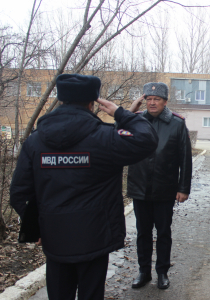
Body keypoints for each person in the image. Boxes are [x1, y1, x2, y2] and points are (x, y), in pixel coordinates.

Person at [10, 74, 158, 300]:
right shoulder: (105, 138)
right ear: (92, 103)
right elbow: (147, 139)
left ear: (61, 100)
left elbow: (19, 192)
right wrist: (120, 112)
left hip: (55, 238)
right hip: (94, 237)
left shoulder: (35, 141)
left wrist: (35, 226)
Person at [127, 82, 193, 290]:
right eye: (149, 99)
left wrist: (183, 188)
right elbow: (114, 134)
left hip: (165, 189)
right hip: (140, 188)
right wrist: (130, 112)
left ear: (165, 102)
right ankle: (143, 271)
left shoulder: (177, 124)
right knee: (143, 233)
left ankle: (162, 272)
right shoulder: (136, 121)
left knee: (163, 232)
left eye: (157, 99)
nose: (152, 103)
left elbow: (185, 158)